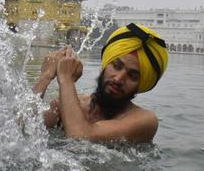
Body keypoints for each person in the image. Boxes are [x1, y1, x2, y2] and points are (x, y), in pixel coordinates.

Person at [33, 23, 169, 143]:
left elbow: (80, 137)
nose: (118, 79)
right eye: (116, 65)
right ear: (105, 64)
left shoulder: (144, 121)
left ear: (141, 84)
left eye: (132, 76)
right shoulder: (68, 105)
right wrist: (45, 77)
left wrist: (66, 79)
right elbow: (22, 128)